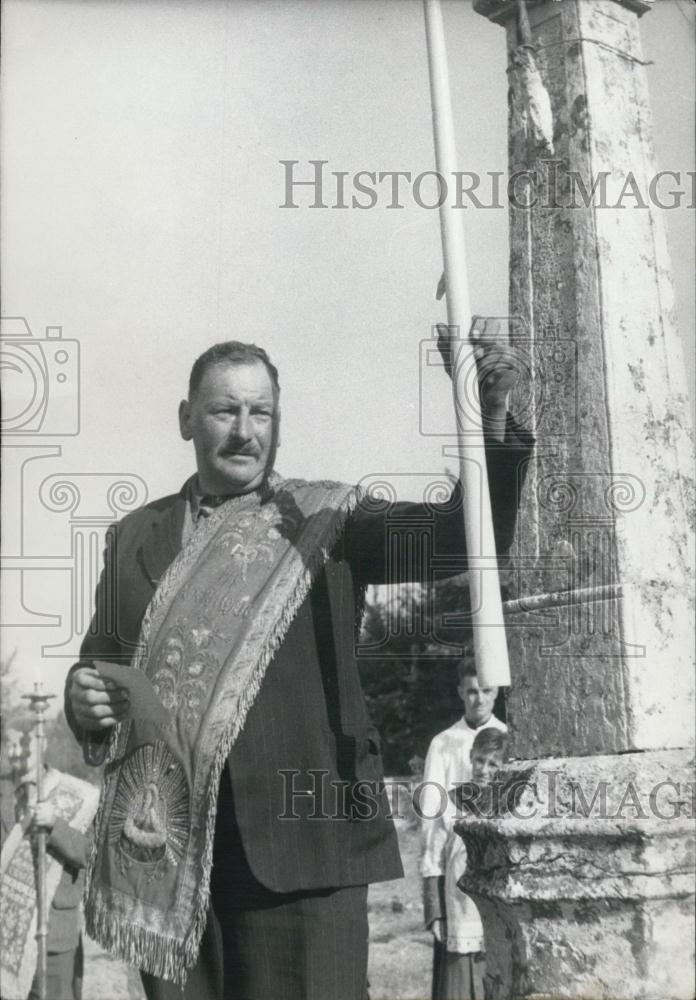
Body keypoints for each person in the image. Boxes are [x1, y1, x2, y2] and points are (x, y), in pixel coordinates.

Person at [64, 335, 533, 1000]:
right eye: (225, 411)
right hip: (166, 862)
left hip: (305, 854)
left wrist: (492, 421)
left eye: (262, 413)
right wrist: (82, 698)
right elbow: (100, 662)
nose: (244, 432)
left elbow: (458, 540)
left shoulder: (322, 520)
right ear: (185, 419)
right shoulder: (133, 538)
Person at [420, 665, 508, 1000]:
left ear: (496, 691)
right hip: (457, 875)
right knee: (458, 975)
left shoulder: (510, 734)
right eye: (472, 691)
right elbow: (432, 822)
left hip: (502, 871)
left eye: (486, 691)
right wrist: (432, 898)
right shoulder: (443, 743)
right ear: (461, 692)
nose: (479, 699)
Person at [0, 738, 99, 1000]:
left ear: (42, 742)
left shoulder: (78, 794)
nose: (17, 751)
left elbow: (92, 856)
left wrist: (55, 826)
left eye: (24, 742)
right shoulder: (3, 792)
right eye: (11, 743)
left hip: (54, 936)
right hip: (6, 935)